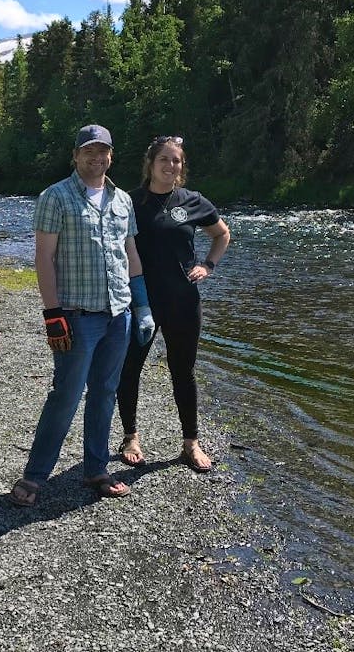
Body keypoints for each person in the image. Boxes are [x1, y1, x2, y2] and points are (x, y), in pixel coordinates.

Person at [9, 124, 155, 507]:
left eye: (102, 151)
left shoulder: (122, 200)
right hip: (76, 316)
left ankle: (96, 469)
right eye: (88, 151)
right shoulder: (54, 197)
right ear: (75, 156)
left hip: (118, 315)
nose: (96, 157)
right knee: (66, 395)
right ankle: (35, 476)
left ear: (111, 155)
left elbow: (132, 256)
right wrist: (52, 313)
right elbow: (43, 258)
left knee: (106, 392)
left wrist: (142, 307)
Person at [116, 136, 231, 473]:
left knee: (183, 372)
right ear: (150, 164)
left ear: (182, 166)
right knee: (130, 369)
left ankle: (190, 443)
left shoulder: (193, 201)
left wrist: (208, 266)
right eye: (164, 160)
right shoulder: (130, 202)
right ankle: (130, 436)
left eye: (176, 161)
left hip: (183, 301)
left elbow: (221, 234)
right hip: (140, 302)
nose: (170, 166)